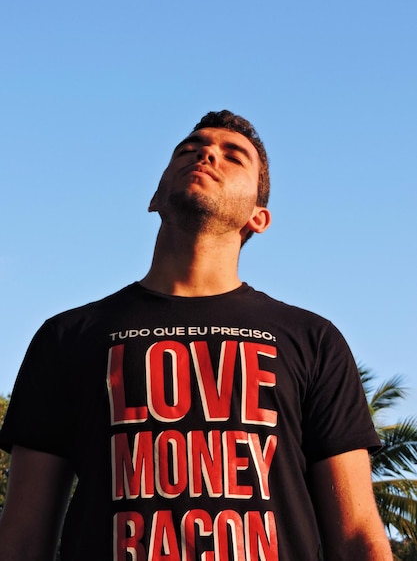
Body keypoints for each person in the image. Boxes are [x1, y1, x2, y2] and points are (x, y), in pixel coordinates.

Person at [0, 110, 392, 560]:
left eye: (234, 156)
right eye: (189, 149)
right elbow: (22, 535)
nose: (206, 154)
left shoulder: (313, 340)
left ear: (258, 217)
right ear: (154, 197)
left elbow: (358, 533)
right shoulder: (67, 336)